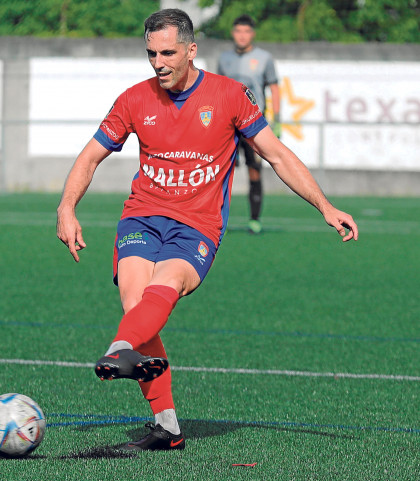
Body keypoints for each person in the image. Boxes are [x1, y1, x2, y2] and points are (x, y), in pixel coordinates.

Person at [55, 9, 357, 451]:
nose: (158, 62)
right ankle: (168, 427)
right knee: (136, 302)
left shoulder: (230, 96)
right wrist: (67, 206)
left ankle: (122, 349)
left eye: (168, 53)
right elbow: (89, 156)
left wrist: (325, 206)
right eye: (151, 53)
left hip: (197, 226)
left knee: (167, 284)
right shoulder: (134, 99)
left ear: (191, 50)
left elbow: (277, 155)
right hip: (141, 216)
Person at [217, 14, 281, 234]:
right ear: (233, 33)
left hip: (253, 123)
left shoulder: (264, 58)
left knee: (254, 170)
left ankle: (255, 219)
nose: (242, 36)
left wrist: (277, 120)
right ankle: (217, 220)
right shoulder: (224, 58)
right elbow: (217, 90)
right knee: (222, 172)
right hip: (227, 125)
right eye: (238, 31)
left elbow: (274, 87)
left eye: (246, 31)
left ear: (252, 34)